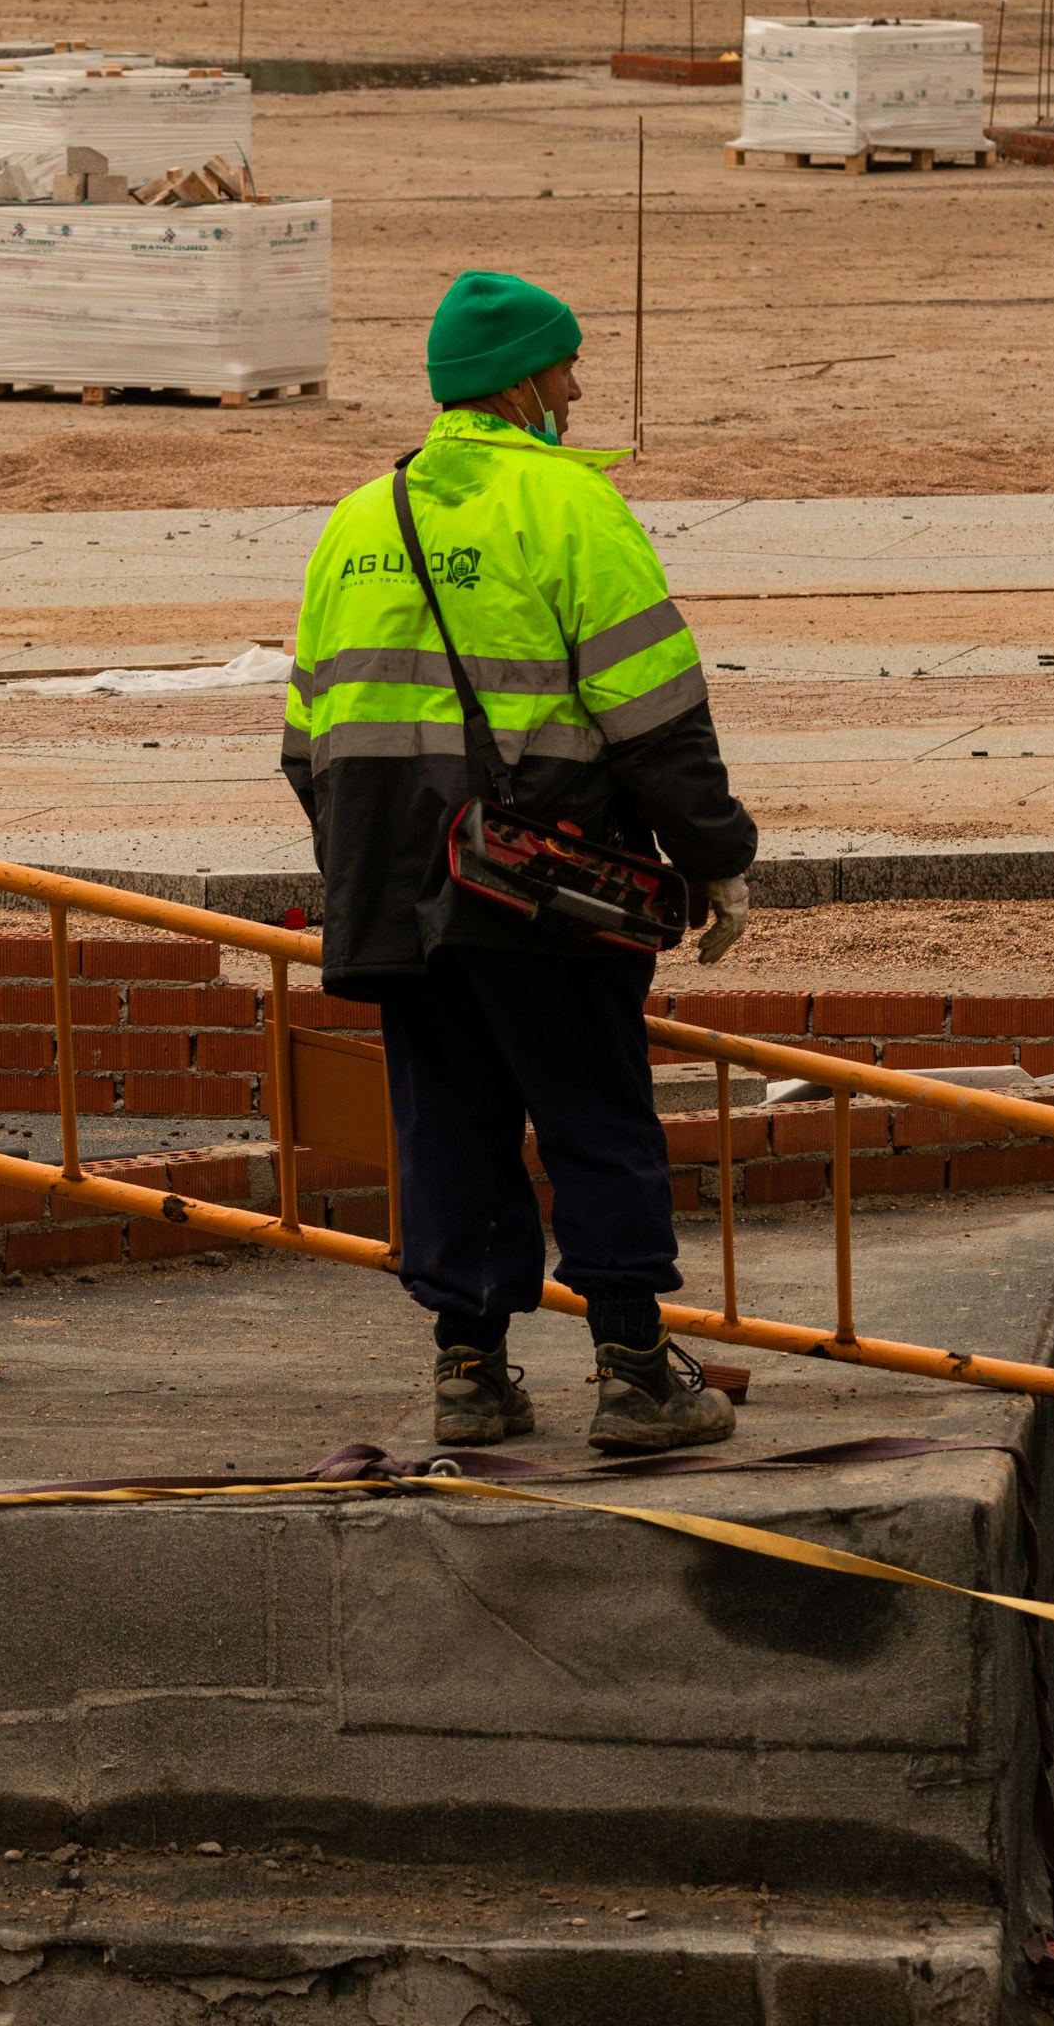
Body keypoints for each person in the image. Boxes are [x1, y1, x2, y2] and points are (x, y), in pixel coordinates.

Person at [282, 268, 757, 1453]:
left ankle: (469, 1371)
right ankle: (638, 1369)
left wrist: (372, 867)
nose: (580, 386)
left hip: (393, 890)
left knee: (448, 1124)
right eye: (565, 366)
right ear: (520, 385)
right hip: (543, 882)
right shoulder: (569, 508)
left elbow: (308, 741)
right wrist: (718, 856)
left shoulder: (358, 519)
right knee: (596, 1114)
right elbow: (655, 714)